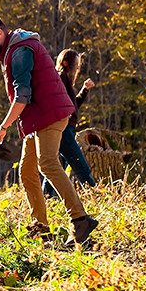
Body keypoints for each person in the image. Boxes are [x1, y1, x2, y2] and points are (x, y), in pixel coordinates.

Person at [0, 15, 98, 246]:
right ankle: (40, 229)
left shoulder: (21, 51)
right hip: (37, 117)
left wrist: (3, 127)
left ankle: (80, 220)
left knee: (47, 163)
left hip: (50, 113)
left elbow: (22, 95)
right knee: (27, 170)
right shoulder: (13, 50)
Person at [41, 49, 96, 196]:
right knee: (80, 165)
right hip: (63, 130)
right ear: (67, 63)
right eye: (76, 64)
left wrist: (84, 89)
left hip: (67, 129)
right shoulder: (59, 79)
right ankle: (95, 194)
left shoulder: (66, 81)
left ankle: (47, 197)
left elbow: (72, 106)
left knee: (57, 166)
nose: (78, 67)